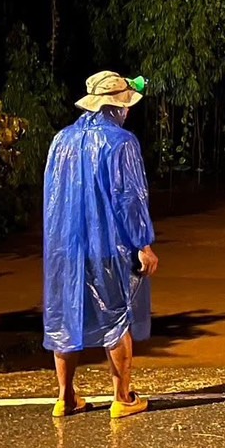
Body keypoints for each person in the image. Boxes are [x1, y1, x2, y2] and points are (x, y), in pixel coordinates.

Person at [42, 71, 159, 419]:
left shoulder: (61, 140)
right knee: (117, 316)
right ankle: (122, 397)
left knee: (65, 317)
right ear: (117, 106)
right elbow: (129, 198)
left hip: (64, 247)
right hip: (107, 246)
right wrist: (143, 243)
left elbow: (52, 198)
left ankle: (65, 397)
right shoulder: (121, 142)